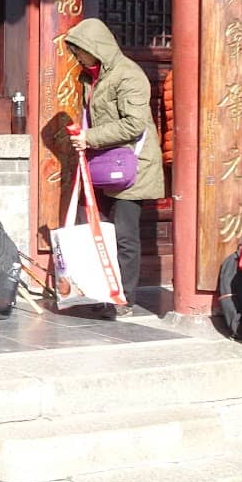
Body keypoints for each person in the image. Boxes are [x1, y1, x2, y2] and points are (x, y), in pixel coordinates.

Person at [63, 18, 163, 316]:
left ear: (96, 48)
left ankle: (124, 299)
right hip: (105, 164)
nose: (77, 57)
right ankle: (103, 291)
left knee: (124, 236)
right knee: (99, 230)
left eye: (80, 51)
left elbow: (135, 123)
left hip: (133, 167)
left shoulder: (128, 75)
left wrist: (89, 137)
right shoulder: (91, 77)